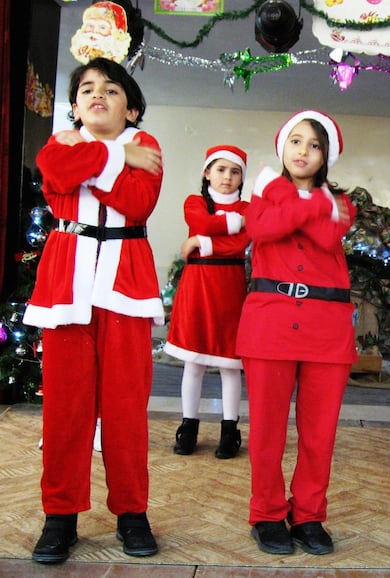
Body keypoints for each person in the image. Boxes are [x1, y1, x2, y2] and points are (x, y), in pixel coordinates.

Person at [24, 57, 164, 564]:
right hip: (65, 289)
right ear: (75, 104)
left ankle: (132, 515)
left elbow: (137, 202)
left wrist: (100, 157)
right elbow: (55, 172)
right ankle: (59, 517)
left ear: (131, 107)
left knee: (126, 410)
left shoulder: (147, 147)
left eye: (111, 88)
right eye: (86, 88)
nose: (97, 94)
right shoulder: (60, 143)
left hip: (125, 288)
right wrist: (115, 157)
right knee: (65, 412)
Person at [236, 110, 357, 557]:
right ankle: (267, 513)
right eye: (296, 141)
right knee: (267, 430)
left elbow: (328, 236)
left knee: (319, 432)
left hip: (327, 328)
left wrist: (288, 198)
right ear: (282, 148)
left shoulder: (343, 203)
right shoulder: (264, 200)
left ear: (327, 156)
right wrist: (307, 204)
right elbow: (264, 227)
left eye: (315, 144)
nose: (304, 151)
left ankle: (308, 515)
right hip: (270, 321)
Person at [164, 145, 249, 459]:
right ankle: (189, 427)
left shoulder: (249, 207)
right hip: (197, 287)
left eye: (235, 171)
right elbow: (201, 221)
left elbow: (241, 242)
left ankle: (230, 430)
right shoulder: (194, 202)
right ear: (207, 172)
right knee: (194, 361)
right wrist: (226, 227)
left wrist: (200, 242)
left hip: (230, 288)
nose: (227, 177)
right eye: (221, 169)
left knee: (231, 365)